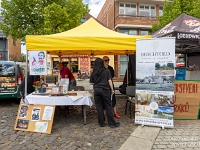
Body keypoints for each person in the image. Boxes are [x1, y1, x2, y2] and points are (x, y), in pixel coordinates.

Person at [90, 58, 120, 128]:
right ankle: (112, 123)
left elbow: (91, 82)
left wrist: (97, 82)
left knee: (99, 107)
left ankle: (101, 123)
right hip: (105, 90)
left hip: (96, 90)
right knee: (108, 107)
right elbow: (109, 81)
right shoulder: (106, 71)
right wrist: (112, 90)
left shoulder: (94, 72)